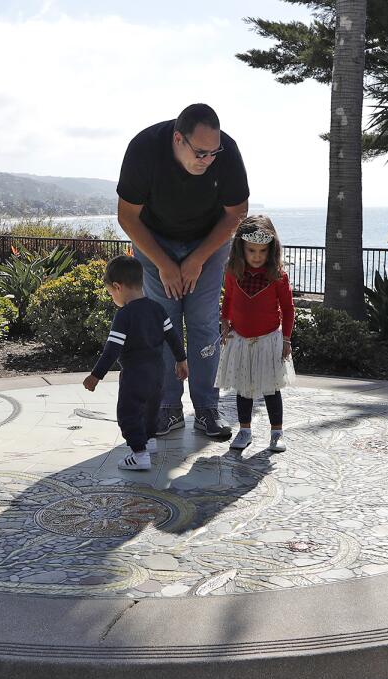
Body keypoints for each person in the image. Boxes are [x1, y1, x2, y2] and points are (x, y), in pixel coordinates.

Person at [117, 103, 250, 442]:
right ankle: (167, 409)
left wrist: (196, 260)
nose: (208, 160)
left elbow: (236, 212)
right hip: (155, 241)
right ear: (178, 139)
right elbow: (127, 216)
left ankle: (207, 408)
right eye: (201, 153)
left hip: (208, 242)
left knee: (203, 322)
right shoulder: (144, 149)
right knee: (164, 322)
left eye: (213, 153)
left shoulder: (227, 152)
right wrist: (164, 263)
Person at [83, 257, 188, 471]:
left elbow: (112, 349)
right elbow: (173, 337)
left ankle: (139, 454)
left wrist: (96, 375)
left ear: (117, 287)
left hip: (134, 375)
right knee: (151, 409)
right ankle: (150, 441)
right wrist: (181, 360)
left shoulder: (124, 315)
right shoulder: (157, 308)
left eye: (111, 293)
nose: (112, 297)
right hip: (159, 372)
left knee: (128, 412)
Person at [216, 216, 296, 453]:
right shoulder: (233, 272)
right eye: (251, 250)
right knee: (244, 388)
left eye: (263, 251)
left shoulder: (278, 275)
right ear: (241, 248)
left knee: (271, 389)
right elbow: (229, 298)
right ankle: (244, 430)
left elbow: (289, 308)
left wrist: (286, 338)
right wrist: (225, 322)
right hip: (240, 339)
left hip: (268, 340)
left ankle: (276, 433)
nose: (257, 256)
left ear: (272, 249)